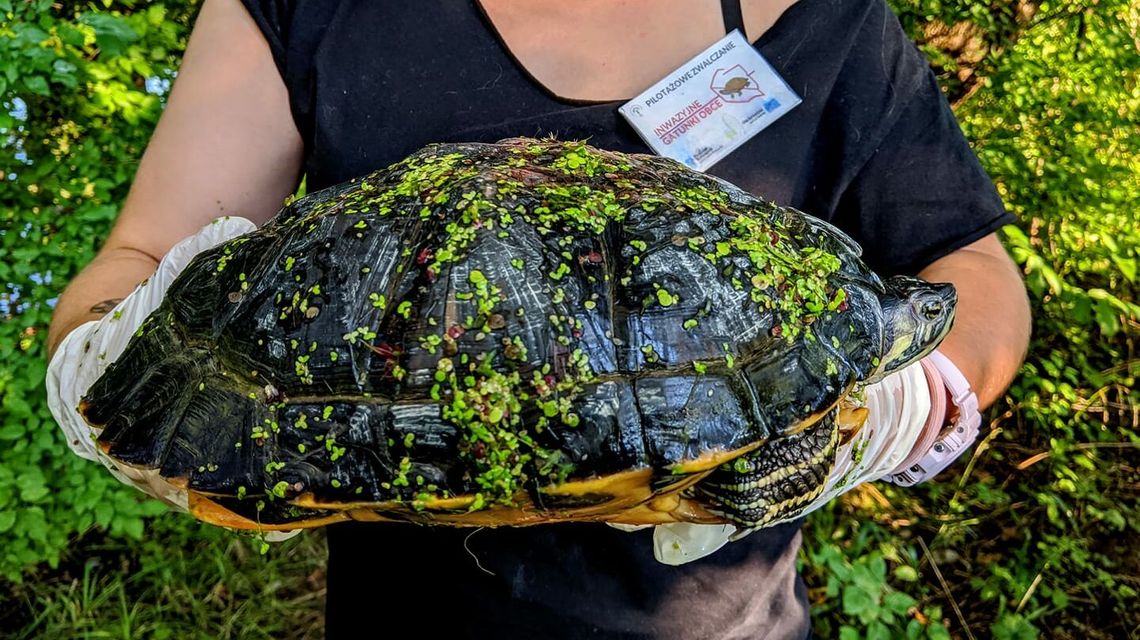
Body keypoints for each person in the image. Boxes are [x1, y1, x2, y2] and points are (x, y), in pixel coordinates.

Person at [47, 0, 1031, 637]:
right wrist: (112, 362)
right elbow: (139, 263)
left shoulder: (828, 17)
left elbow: (972, 270)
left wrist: (915, 394)